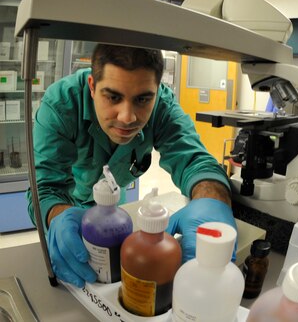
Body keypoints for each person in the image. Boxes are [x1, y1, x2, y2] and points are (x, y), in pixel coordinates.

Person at [27, 44, 236, 288]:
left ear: (157, 91)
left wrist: (210, 204)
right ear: (93, 86)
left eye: (142, 99)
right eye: (113, 97)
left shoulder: (163, 106)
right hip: (70, 207)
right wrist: (57, 216)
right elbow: (45, 187)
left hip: (117, 205)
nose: (127, 117)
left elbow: (196, 161)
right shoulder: (62, 104)